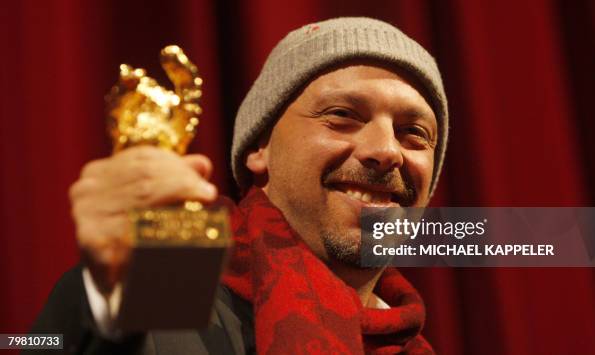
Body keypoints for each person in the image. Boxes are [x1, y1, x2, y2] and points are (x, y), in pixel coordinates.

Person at [29, 17, 448, 354]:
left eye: (414, 133)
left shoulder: (412, 343)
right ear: (259, 147)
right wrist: (102, 304)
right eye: (342, 115)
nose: (387, 151)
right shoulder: (167, 288)